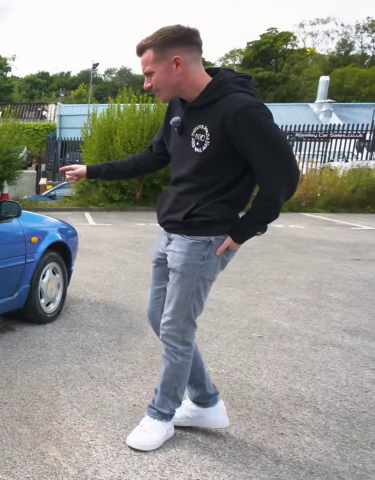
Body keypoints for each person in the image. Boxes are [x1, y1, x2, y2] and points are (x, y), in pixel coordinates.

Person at [60, 25, 299, 452]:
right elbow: (153, 157)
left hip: (205, 239)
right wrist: (92, 170)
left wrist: (243, 232)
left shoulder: (240, 111)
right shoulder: (177, 108)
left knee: (175, 327)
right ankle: (206, 402)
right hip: (171, 231)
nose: (147, 83)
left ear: (177, 63)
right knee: (160, 318)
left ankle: (161, 414)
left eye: (150, 74)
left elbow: (283, 178)